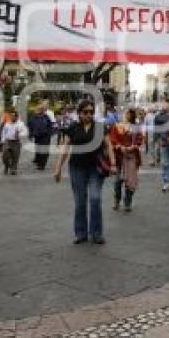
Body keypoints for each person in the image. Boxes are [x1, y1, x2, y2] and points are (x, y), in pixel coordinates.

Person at [54, 100, 116, 244]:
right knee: (80, 201)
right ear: (79, 113)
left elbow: (109, 145)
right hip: (77, 168)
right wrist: (58, 168)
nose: (88, 115)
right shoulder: (73, 127)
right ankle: (81, 233)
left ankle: (96, 233)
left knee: (95, 198)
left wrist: (113, 163)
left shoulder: (100, 127)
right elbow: (65, 149)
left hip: (96, 168)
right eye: (85, 112)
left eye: (91, 112)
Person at [111, 108, 143, 211]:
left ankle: (127, 202)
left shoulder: (136, 127)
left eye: (130, 114)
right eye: (127, 113)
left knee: (130, 181)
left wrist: (132, 147)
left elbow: (139, 139)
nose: (128, 115)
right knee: (117, 181)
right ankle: (117, 200)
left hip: (131, 157)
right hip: (119, 157)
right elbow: (113, 139)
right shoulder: (118, 126)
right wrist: (120, 147)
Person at [154, 101, 169, 192]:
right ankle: (166, 182)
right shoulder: (158, 117)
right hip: (164, 142)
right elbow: (156, 129)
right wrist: (158, 140)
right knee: (165, 163)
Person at [1, 110, 27, 175]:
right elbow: (4, 132)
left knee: (15, 157)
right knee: (5, 156)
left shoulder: (20, 124)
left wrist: (19, 135)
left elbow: (25, 132)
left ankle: (13, 169)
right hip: (8, 141)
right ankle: (7, 166)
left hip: (16, 142)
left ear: (16, 117)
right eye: (11, 116)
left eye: (13, 116)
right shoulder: (7, 123)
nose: (12, 117)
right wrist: (3, 140)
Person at [29, 103, 53, 171]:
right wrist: (31, 135)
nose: (38, 110)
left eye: (40, 109)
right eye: (38, 109)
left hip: (45, 137)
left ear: (42, 110)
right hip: (37, 137)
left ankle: (42, 165)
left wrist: (49, 134)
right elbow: (30, 126)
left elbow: (50, 127)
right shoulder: (34, 117)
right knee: (38, 151)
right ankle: (39, 163)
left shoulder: (46, 117)